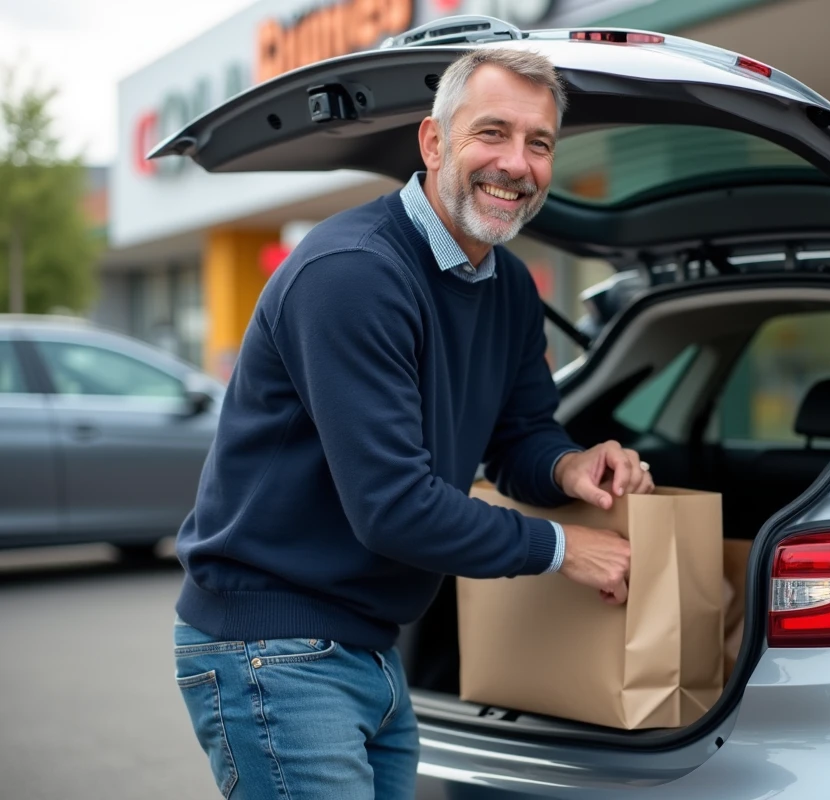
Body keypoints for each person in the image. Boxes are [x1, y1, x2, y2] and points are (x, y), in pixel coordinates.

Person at [171, 48, 651, 800]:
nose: (516, 164)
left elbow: (520, 437)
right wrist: (563, 547)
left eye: (540, 143)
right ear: (433, 143)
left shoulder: (509, 287)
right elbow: (393, 508)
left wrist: (568, 467)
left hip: (369, 644)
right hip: (272, 643)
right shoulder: (353, 274)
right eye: (492, 133)